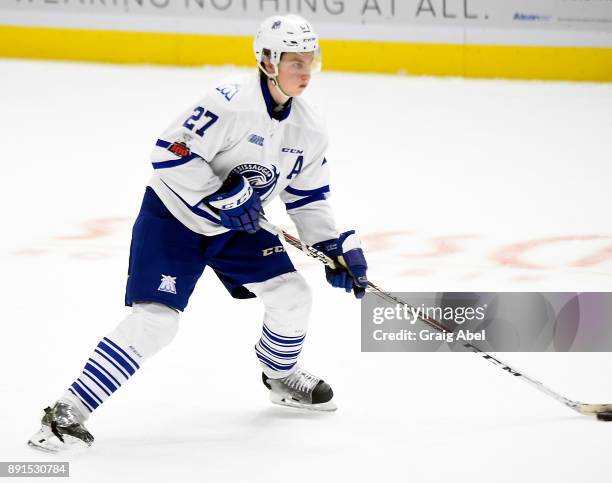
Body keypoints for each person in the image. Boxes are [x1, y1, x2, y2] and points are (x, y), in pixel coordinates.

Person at [27, 14, 368, 453]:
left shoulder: (310, 127)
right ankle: (67, 411)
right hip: (175, 218)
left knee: (293, 293)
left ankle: (281, 376)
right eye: (294, 62)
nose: (305, 72)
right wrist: (220, 196)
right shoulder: (229, 102)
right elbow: (167, 153)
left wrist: (330, 248)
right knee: (158, 322)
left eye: (310, 61)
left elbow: (307, 197)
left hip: (238, 228)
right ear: (267, 61)